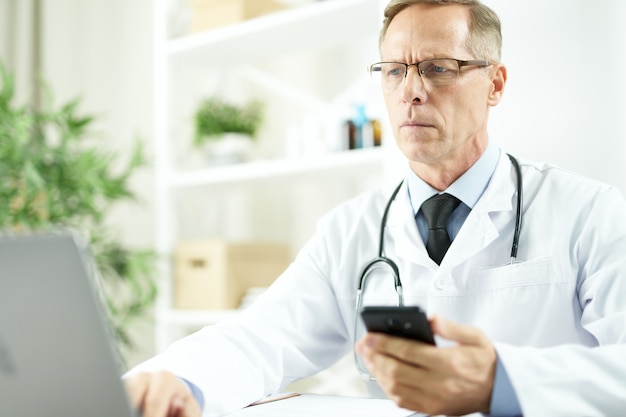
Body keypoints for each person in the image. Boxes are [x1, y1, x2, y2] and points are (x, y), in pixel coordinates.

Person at [125, 1, 626, 416]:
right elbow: (262, 335)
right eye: (394, 70)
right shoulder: (351, 230)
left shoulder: (590, 213)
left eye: (438, 68)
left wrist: (503, 381)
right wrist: (178, 381)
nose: (411, 90)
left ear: (495, 84)